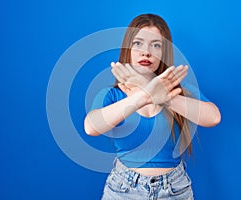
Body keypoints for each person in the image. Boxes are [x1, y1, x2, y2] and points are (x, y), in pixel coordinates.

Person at [84, 13, 221, 200]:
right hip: (123, 191)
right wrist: (144, 94)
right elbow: (91, 127)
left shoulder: (179, 91)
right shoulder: (112, 95)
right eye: (138, 43)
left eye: (156, 45)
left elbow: (213, 117)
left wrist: (164, 98)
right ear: (128, 49)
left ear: (163, 53)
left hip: (175, 190)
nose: (146, 52)